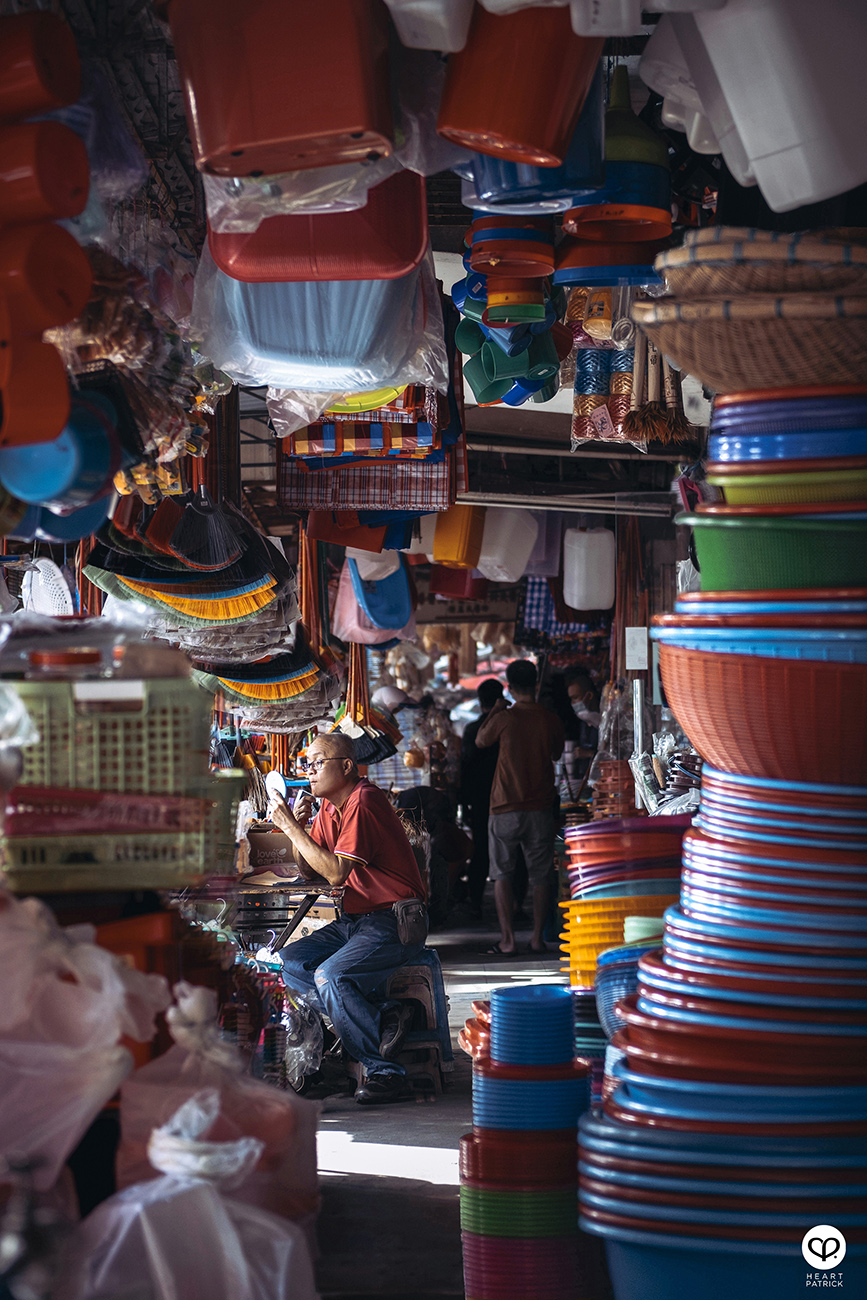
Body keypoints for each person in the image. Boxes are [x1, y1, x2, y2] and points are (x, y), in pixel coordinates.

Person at [268, 731, 428, 1106]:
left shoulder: (364, 801)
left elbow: (337, 872)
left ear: (346, 766)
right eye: (305, 763)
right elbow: (311, 872)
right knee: (289, 962)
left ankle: (385, 1072)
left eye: (316, 762)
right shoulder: (329, 806)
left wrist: (291, 827)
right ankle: (385, 1016)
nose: (308, 770)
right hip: (358, 920)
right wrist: (299, 830)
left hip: (394, 919)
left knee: (330, 976)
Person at [476, 659, 565, 957]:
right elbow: (556, 753)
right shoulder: (550, 718)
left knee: (501, 873)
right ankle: (538, 938)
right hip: (539, 806)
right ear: (536, 685)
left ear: (510, 688)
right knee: (540, 875)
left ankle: (508, 940)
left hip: (504, 807)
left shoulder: (505, 717)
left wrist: (498, 709)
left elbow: (481, 740)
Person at [459, 678, 504, 920]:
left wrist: (463, 801)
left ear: (479, 701)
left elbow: (465, 765)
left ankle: (476, 902)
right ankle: (513, 906)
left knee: (481, 851)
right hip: (506, 797)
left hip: (479, 798)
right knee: (510, 851)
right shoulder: (508, 723)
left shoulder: (472, 730)